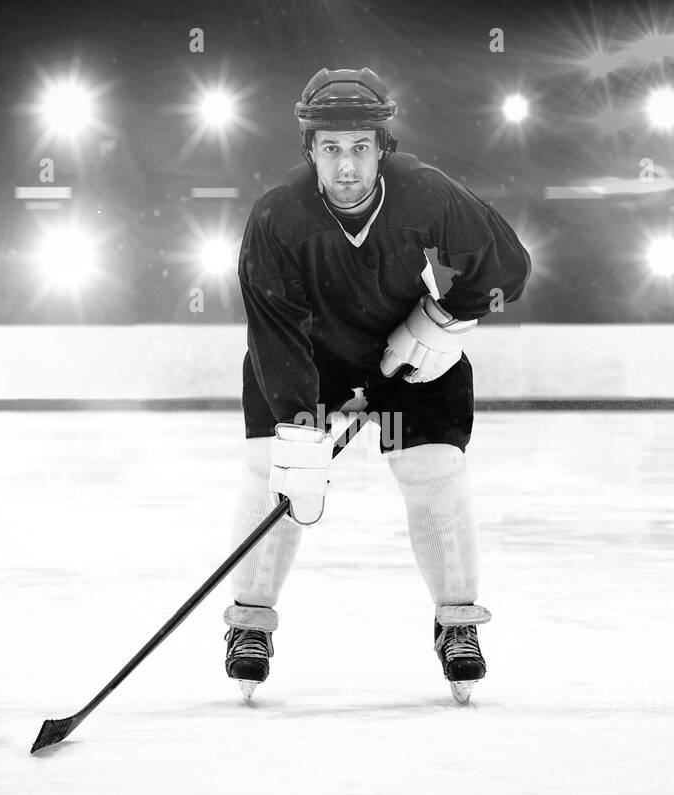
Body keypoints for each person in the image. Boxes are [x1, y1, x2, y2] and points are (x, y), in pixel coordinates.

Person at [224, 67, 530, 702]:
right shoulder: (277, 216)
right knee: (273, 473)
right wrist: (296, 431)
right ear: (308, 149)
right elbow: (274, 329)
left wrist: (443, 320)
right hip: (308, 361)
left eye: (360, 148)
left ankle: (458, 624)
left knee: (435, 474)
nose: (345, 168)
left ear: (383, 148)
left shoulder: (428, 195)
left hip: (409, 361)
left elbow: (506, 265)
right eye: (330, 149)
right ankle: (249, 625)